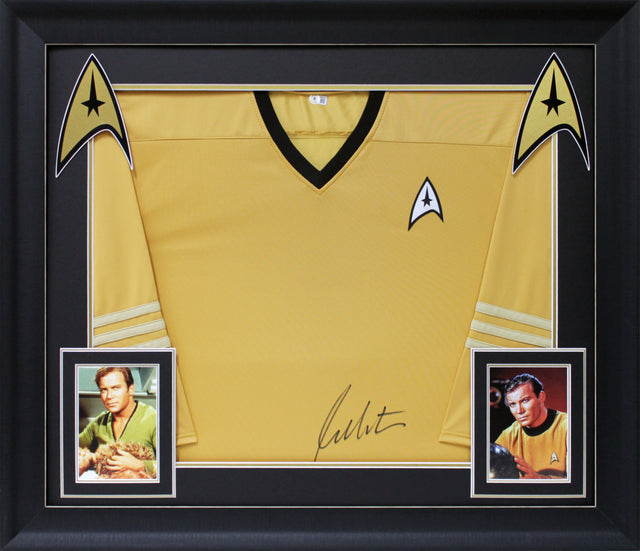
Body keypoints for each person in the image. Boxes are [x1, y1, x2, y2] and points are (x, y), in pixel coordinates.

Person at [78, 366, 157, 478]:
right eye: (104, 390)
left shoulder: (153, 419)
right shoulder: (100, 422)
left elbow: (173, 464)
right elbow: (68, 447)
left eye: (116, 388)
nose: (109, 396)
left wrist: (142, 465)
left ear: (130, 389)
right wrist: (88, 458)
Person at [494, 373, 567, 479]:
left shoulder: (568, 427)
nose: (519, 411)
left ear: (541, 397)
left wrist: (538, 479)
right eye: (513, 404)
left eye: (525, 400)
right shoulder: (508, 435)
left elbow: (580, 480)